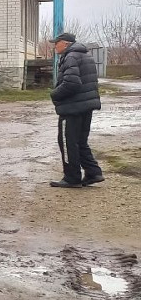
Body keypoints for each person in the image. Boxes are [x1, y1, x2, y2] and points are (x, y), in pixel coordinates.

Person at [48, 32, 103, 188]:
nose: (54, 46)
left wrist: (55, 94)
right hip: (86, 106)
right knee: (80, 141)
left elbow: (72, 83)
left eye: (56, 43)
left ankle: (72, 177)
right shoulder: (85, 55)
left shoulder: (71, 56)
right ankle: (93, 172)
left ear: (65, 43)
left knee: (67, 142)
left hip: (72, 107)